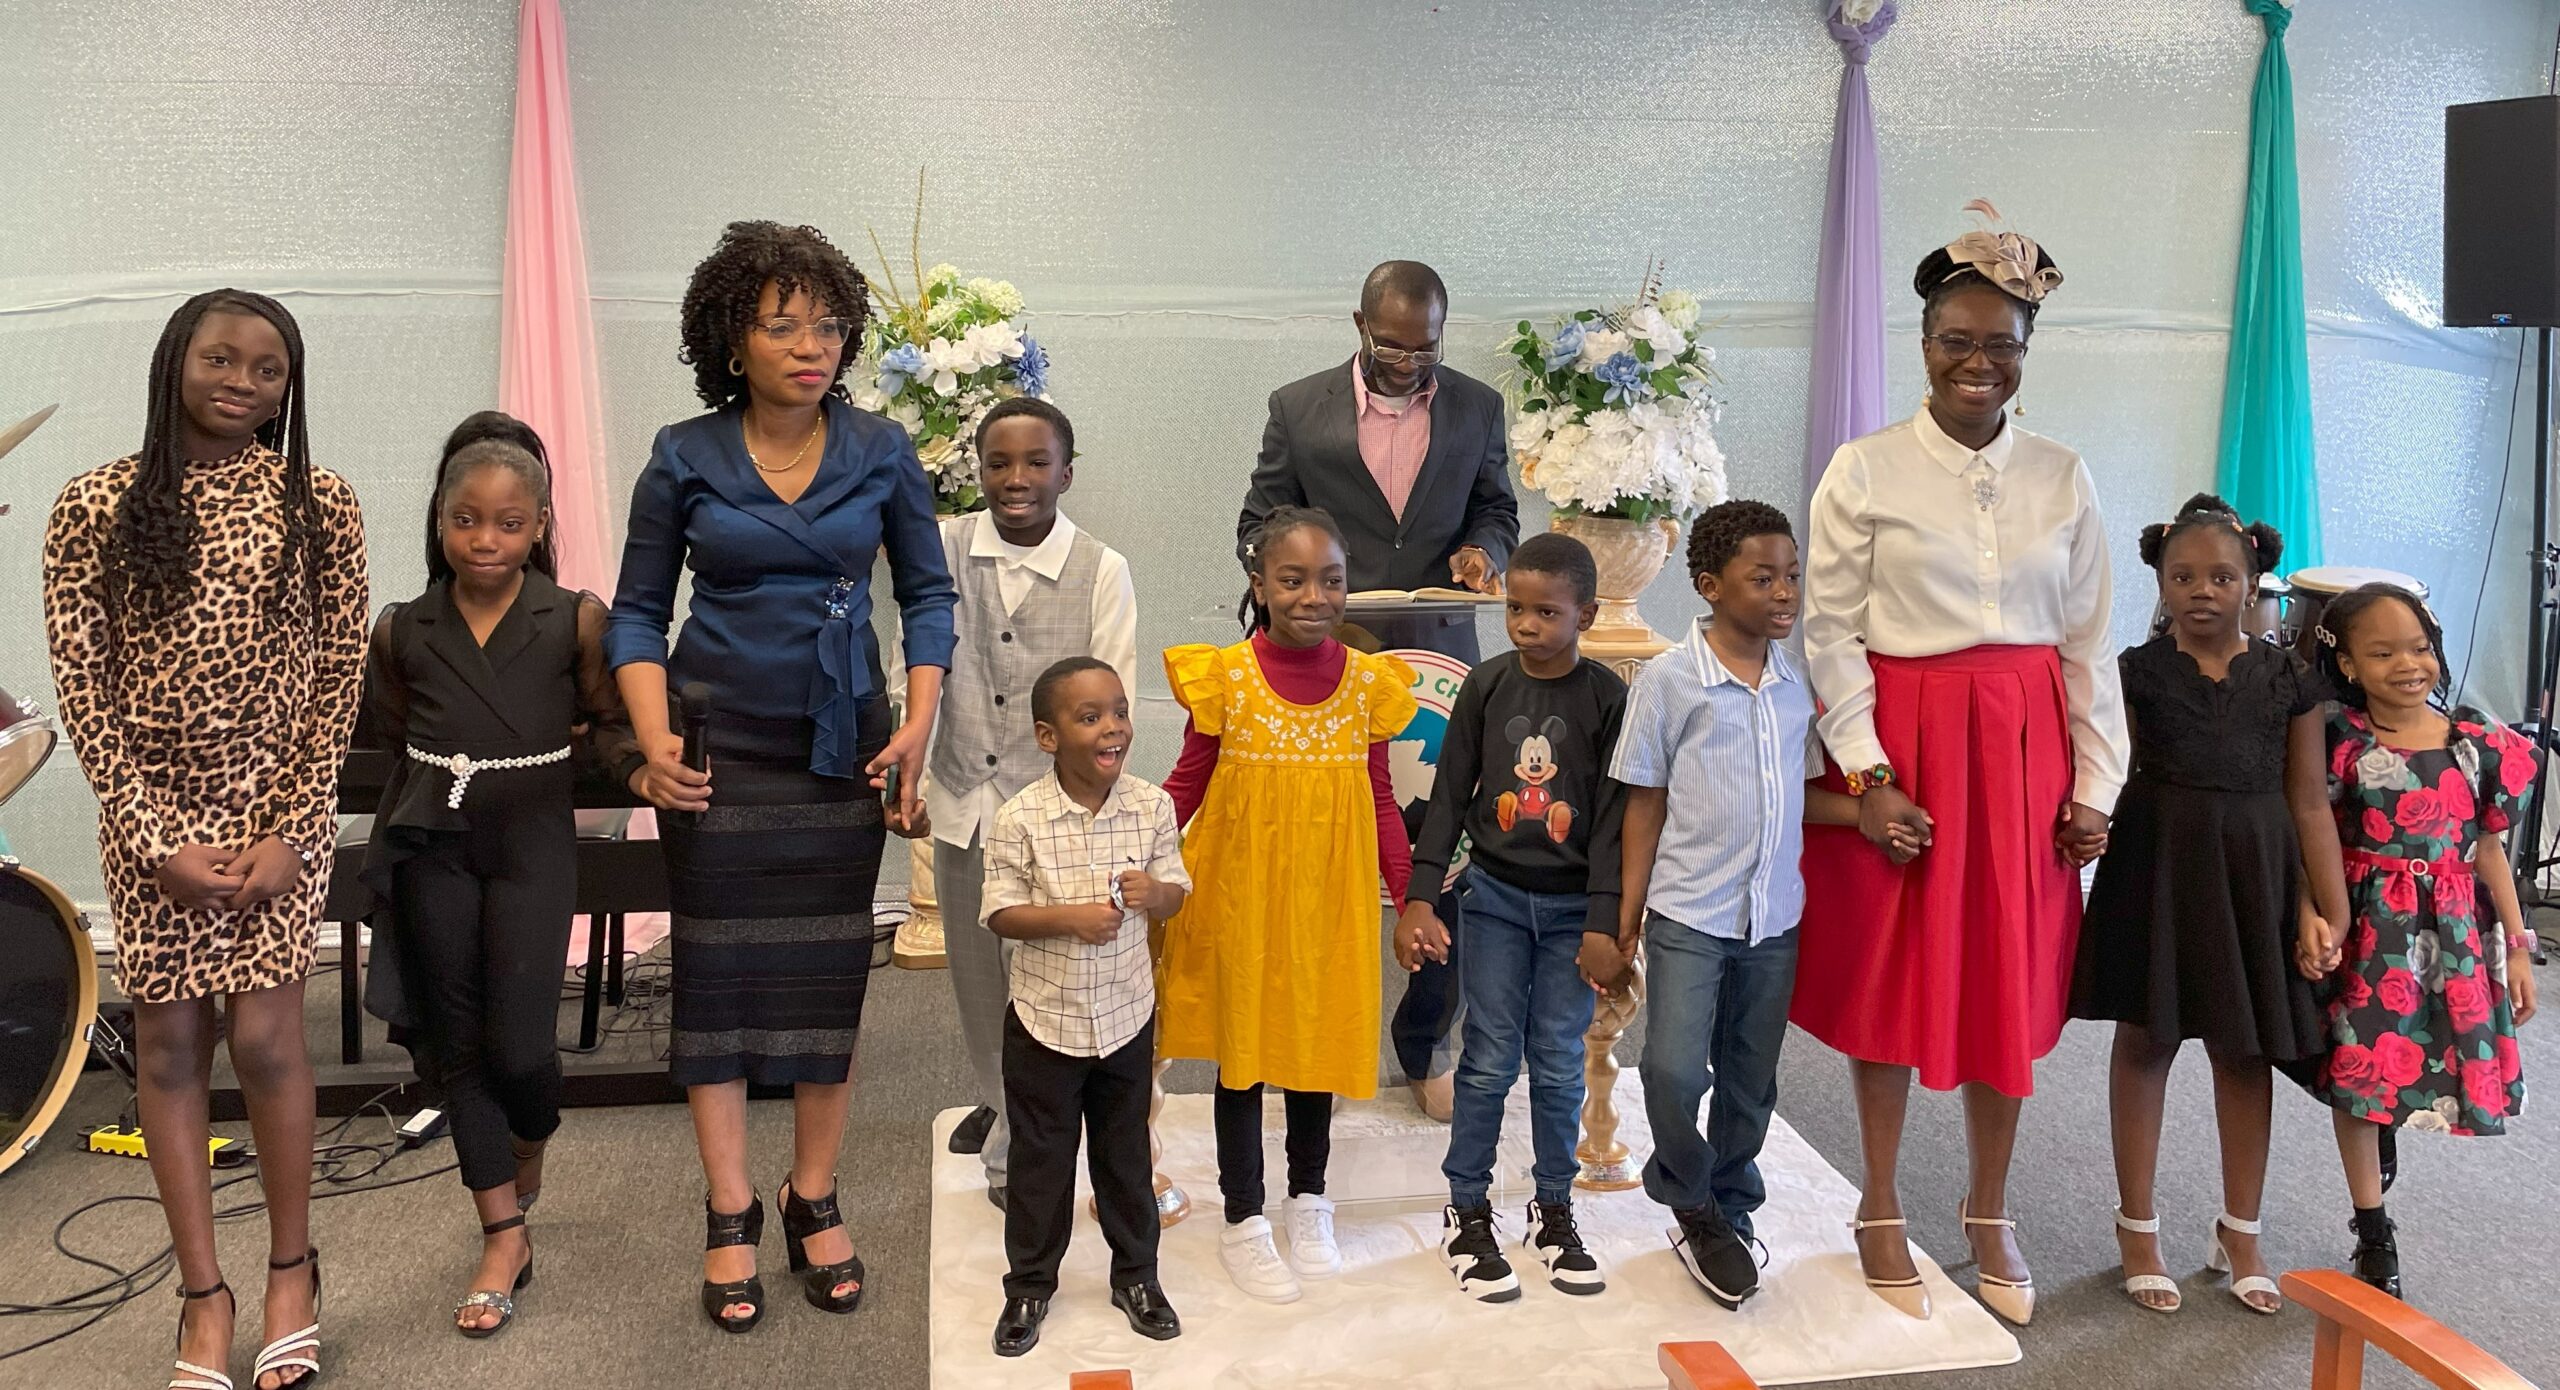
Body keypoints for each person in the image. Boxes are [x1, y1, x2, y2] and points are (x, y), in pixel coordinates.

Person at [608, 221, 957, 1334]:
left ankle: (814, 1194)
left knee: (822, 977)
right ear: (732, 337)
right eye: (781, 324)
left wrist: (918, 721)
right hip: (717, 751)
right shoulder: (682, 454)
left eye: (827, 323)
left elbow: (931, 596)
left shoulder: (884, 449)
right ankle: (727, 1206)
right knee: (714, 975)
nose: (812, 344)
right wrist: (654, 742)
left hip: (839, 744)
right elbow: (634, 613)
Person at [1796, 213, 2129, 1327]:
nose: (1978, 362)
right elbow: (1830, 630)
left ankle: (1989, 1208)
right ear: (1924, 340)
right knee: (1893, 970)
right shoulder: (1866, 467)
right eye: (1956, 339)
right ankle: (1880, 1202)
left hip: (2026, 746)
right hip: (1908, 740)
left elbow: (2085, 643)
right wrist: (1865, 770)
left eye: (2002, 343)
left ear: (2026, 352)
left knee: (2005, 975)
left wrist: (2095, 787)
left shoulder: (2062, 474)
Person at [43, 289, 368, 1390]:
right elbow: (82, 688)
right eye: (221, 358)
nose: (242, 380)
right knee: (173, 1048)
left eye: (267, 368)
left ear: (289, 387)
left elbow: (337, 679)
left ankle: (289, 1271)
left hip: (280, 816)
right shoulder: (94, 505)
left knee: (272, 1042)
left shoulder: (319, 500)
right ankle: (203, 1295)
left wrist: (291, 825)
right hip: (154, 829)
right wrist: (151, 836)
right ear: (174, 359)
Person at [358, 419, 635, 1337]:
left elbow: (607, 723)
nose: (485, 541)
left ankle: (530, 1144)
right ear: (439, 520)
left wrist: (643, 770)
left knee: (524, 1048)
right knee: (459, 1045)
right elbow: (397, 736)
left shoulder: (574, 617)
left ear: (540, 523)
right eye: (466, 521)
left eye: (508, 524)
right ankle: (502, 1234)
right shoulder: (402, 628)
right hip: (435, 845)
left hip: (531, 845)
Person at [1610, 501, 1912, 1312]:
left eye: (1791, 576)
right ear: (1711, 586)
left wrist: (1872, 814)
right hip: (1688, 916)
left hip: (1774, 919)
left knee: (1750, 1080)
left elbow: (1801, 796)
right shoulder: (1673, 681)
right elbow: (1643, 803)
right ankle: (1686, 1189)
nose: (1784, 593)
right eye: (1762, 577)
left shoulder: (1795, 685)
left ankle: (1728, 1210)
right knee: (1673, 1069)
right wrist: (1626, 915)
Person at [1239, 259, 1521, 1117]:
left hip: (1441, 661)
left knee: (1447, 861)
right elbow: (1260, 522)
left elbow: (1496, 510)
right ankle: (1308, 1039)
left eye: (1425, 349)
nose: (1409, 364)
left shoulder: (1477, 405)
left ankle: (1429, 1044)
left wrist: (1488, 556)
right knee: (1317, 858)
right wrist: (1289, 589)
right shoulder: (1298, 406)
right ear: (1358, 326)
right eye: (1392, 347)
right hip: (1330, 659)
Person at [2067, 494, 2350, 1316]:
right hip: (2157, 864)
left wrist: (2323, 907)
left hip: (2255, 873)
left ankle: (2243, 1229)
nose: (2202, 590)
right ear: (2158, 580)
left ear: (2254, 580)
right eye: (2183, 575)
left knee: (2244, 1047)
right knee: (2148, 1036)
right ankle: (2137, 1226)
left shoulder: (2291, 680)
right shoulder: (2133, 672)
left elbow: (2307, 802)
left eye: (2222, 576)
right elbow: (2101, 774)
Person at [1159, 505, 1418, 1304]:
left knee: (1314, 1049)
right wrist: (1124, 848)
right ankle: (1243, 1216)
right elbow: (1186, 782)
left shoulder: (1369, 686)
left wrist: (1410, 896)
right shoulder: (1225, 677)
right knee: (1242, 1061)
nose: (1315, 595)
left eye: (1332, 580)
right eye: (1293, 579)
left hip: (1328, 901)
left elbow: (1379, 797)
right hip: (1241, 895)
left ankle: (1309, 1198)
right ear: (1259, 586)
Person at [1393, 533, 1626, 1303]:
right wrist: (1421, 894)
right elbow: (1450, 793)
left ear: (1585, 614)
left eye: (1546, 611)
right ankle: (1466, 1212)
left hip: (1572, 917)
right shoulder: (1487, 686)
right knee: (1489, 1058)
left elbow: (1617, 819)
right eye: (1515, 608)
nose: (1526, 624)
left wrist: (1604, 921)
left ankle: (1553, 1209)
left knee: (1559, 1061)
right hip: (1491, 901)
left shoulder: (1606, 698)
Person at [923, 397, 1139, 1211]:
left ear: (1067, 473)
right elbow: (916, 660)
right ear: (978, 471)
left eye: (1036, 463)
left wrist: (1095, 806)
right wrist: (907, 769)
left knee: (1047, 981)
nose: (1016, 480)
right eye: (999, 464)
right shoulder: (941, 549)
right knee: (979, 980)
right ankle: (1003, 1098)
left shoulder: (1101, 567)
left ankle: (1025, 1138)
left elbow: (1111, 701)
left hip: (1052, 812)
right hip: (962, 798)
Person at [2301, 584, 2538, 1299]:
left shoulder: (2476, 747)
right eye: (2381, 652)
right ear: (2346, 662)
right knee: (2359, 1076)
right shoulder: (2338, 740)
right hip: (2372, 931)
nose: (2407, 664)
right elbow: (2311, 836)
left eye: (2418, 647)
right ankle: (2372, 1228)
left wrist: (2520, 947)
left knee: (2420, 1061)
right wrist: (2315, 910)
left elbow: (2489, 851)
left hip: (2453, 930)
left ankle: (2385, 1143)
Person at [982, 659, 1190, 1357]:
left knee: (1125, 1157)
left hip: (1127, 1016)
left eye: (1120, 712)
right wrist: (1067, 917)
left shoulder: (1152, 806)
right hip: (1046, 1021)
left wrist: (1154, 895)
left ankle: (1137, 1276)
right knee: (1041, 1161)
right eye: (1090, 717)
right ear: (1048, 736)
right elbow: (1002, 914)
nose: (1114, 728)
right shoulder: (1019, 819)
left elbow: (1177, 890)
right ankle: (1029, 1287)